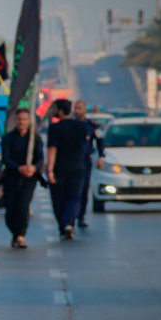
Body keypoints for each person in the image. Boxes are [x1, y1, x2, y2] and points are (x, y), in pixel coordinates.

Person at [47, 99, 91, 239]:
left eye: (54, 109)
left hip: (60, 168)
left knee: (58, 198)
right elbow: (85, 145)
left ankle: (64, 224)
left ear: (60, 111)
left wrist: (50, 170)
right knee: (74, 197)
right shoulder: (81, 126)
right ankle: (69, 224)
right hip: (78, 167)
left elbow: (52, 150)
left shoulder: (55, 128)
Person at [1, 109, 44, 248]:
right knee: (10, 209)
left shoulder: (34, 139)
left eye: (24, 119)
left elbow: (40, 158)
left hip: (28, 178)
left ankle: (21, 235)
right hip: (12, 177)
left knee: (23, 205)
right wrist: (19, 168)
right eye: (19, 119)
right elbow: (6, 159)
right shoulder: (8, 138)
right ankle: (15, 232)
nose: (21, 122)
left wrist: (33, 168)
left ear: (29, 121)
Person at [73, 99, 105, 228]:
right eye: (76, 108)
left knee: (84, 188)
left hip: (85, 160)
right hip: (71, 161)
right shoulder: (70, 124)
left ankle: (81, 217)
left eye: (80, 108)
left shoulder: (92, 126)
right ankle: (71, 216)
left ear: (85, 109)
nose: (78, 110)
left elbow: (100, 141)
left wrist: (101, 157)